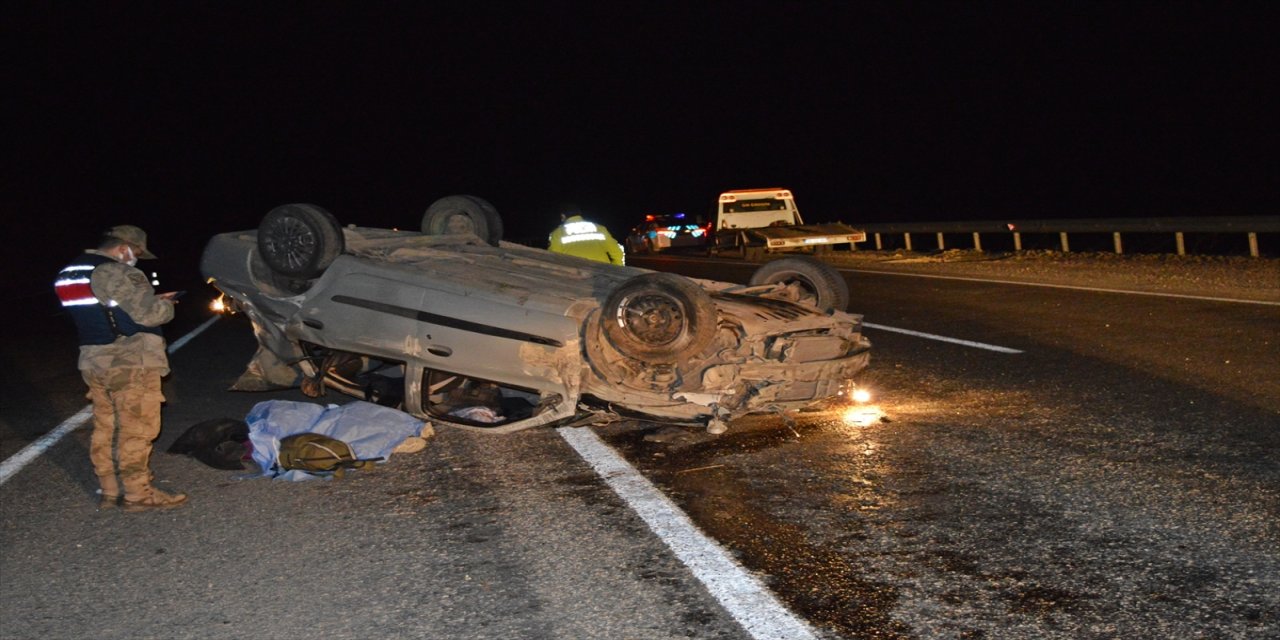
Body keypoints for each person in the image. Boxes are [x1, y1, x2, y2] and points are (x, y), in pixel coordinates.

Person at [54, 225, 186, 512]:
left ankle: (111, 490)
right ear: (123, 247)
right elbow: (147, 315)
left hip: (93, 358)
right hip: (128, 360)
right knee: (136, 428)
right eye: (136, 252)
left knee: (107, 425)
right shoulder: (115, 271)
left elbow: (106, 309)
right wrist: (167, 304)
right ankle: (138, 495)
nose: (135, 258)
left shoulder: (70, 272)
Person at [548, 211, 625, 265]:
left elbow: (554, 259)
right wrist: (616, 270)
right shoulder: (599, 228)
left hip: (573, 278)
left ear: (563, 216)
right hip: (602, 276)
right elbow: (618, 253)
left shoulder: (557, 233)